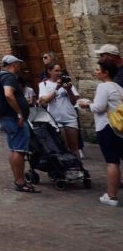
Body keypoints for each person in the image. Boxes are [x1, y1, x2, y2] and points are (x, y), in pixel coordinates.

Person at [77, 59, 122, 207]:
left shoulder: (103, 87)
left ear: (105, 72)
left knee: (112, 162)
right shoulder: (118, 87)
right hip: (119, 127)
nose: (95, 72)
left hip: (107, 126)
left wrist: (86, 104)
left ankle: (111, 195)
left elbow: (99, 108)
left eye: (98, 69)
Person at [0, 55, 37, 194]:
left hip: (7, 118)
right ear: (13, 64)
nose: (20, 67)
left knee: (15, 149)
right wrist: (19, 113)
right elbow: (8, 94)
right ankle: (20, 181)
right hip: (13, 119)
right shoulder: (8, 77)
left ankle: (18, 179)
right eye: (18, 64)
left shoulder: (0, 76)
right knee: (19, 150)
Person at [38, 63, 80, 156]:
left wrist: (69, 90)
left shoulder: (67, 82)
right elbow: (44, 101)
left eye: (60, 70)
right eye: (56, 71)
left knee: (74, 146)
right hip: (55, 119)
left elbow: (74, 102)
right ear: (49, 71)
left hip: (70, 117)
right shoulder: (44, 84)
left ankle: (78, 168)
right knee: (62, 146)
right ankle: (67, 168)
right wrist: (57, 87)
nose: (59, 73)